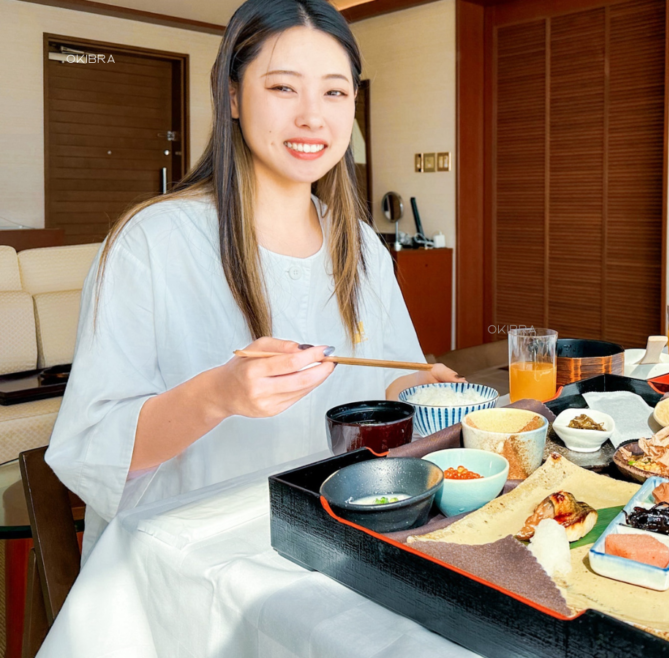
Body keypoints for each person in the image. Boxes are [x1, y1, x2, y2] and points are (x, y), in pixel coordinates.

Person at [45, 0, 461, 561]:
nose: (313, 117)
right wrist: (218, 395)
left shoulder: (359, 243)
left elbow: (387, 387)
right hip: (186, 557)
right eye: (284, 88)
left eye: (335, 92)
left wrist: (428, 393)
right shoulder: (152, 241)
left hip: (332, 539)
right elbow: (92, 450)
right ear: (234, 96)